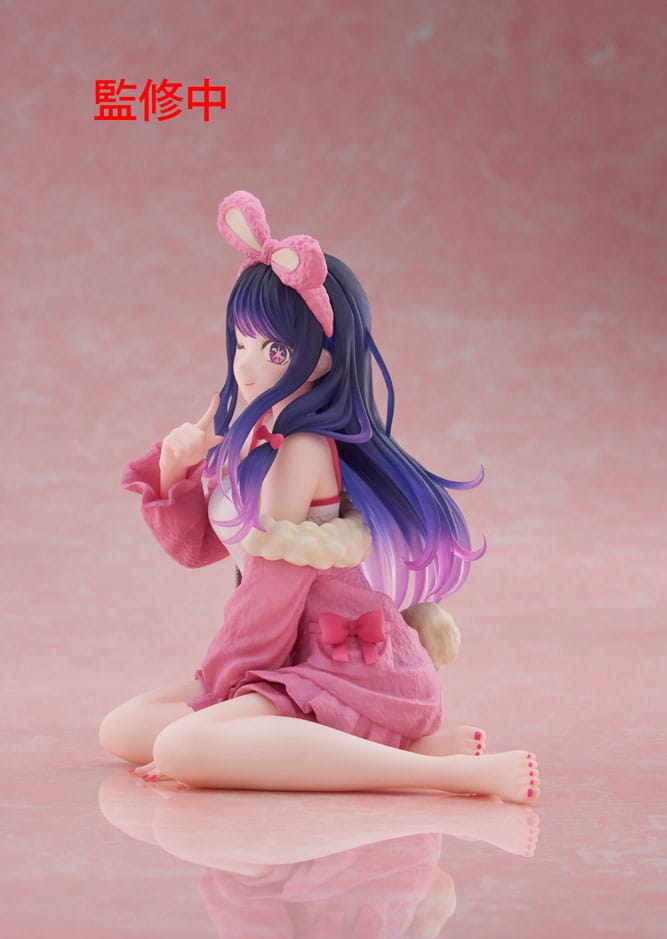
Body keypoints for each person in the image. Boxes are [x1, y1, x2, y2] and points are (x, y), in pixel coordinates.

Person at [99, 191, 540, 804]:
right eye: (242, 344)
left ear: (326, 357)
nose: (247, 367)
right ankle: (398, 750)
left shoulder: (302, 450)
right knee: (122, 731)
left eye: (274, 350)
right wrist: (176, 469)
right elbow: (196, 549)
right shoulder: (255, 441)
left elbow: (271, 594)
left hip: (342, 668)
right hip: (286, 657)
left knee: (181, 748)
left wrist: (225, 697)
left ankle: (450, 775)